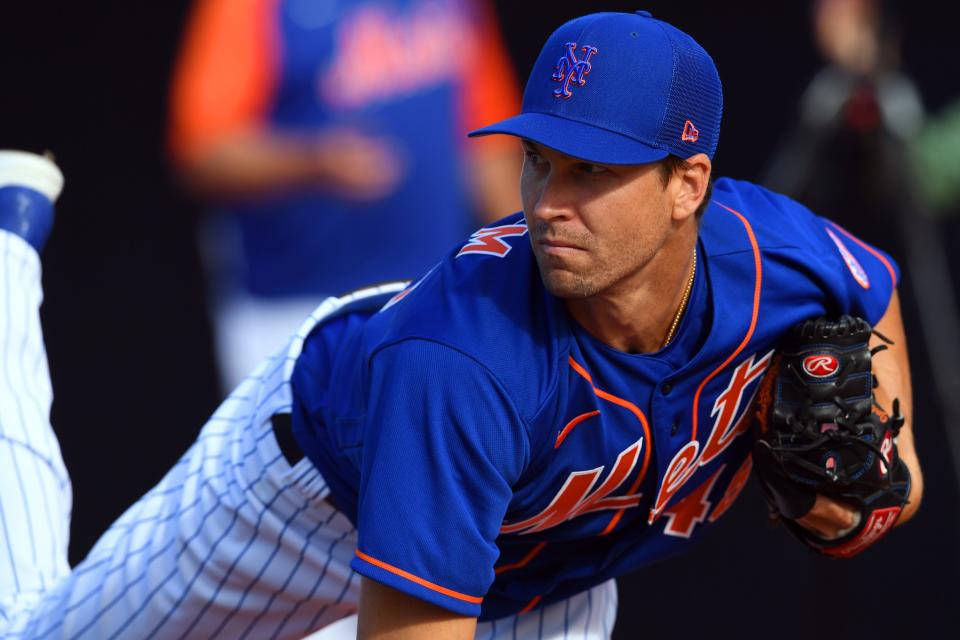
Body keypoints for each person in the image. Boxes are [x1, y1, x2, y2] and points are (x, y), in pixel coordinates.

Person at [0, 10, 922, 640]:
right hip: (311, 495)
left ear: (690, 184)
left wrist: (880, 485)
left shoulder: (772, 255)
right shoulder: (463, 363)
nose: (549, 205)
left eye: (593, 173)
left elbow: (873, 294)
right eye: (539, 163)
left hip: (548, 576)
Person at [168, 0, 523, 390]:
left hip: (432, 296)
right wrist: (315, 161)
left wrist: (525, 266)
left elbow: (489, 146)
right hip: (296, 316)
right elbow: (204, 152)